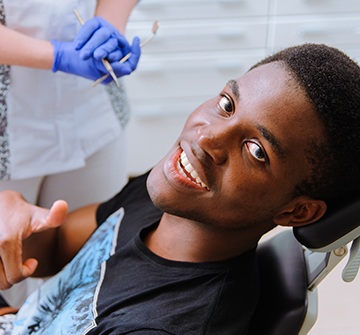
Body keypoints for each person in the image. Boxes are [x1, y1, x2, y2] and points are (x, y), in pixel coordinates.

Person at [0, 43, 359, 334]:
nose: (206, 138)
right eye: (226, 105)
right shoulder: (173, 195)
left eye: (255, 151)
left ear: (296, 211)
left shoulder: (163, 325)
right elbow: (59, 244)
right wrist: (14, 227)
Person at [0, 0, 141, 307]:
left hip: (93, 117)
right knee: (7, 273)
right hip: (6, 134)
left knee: (95, 259)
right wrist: (58, 56)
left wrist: (110, 27)